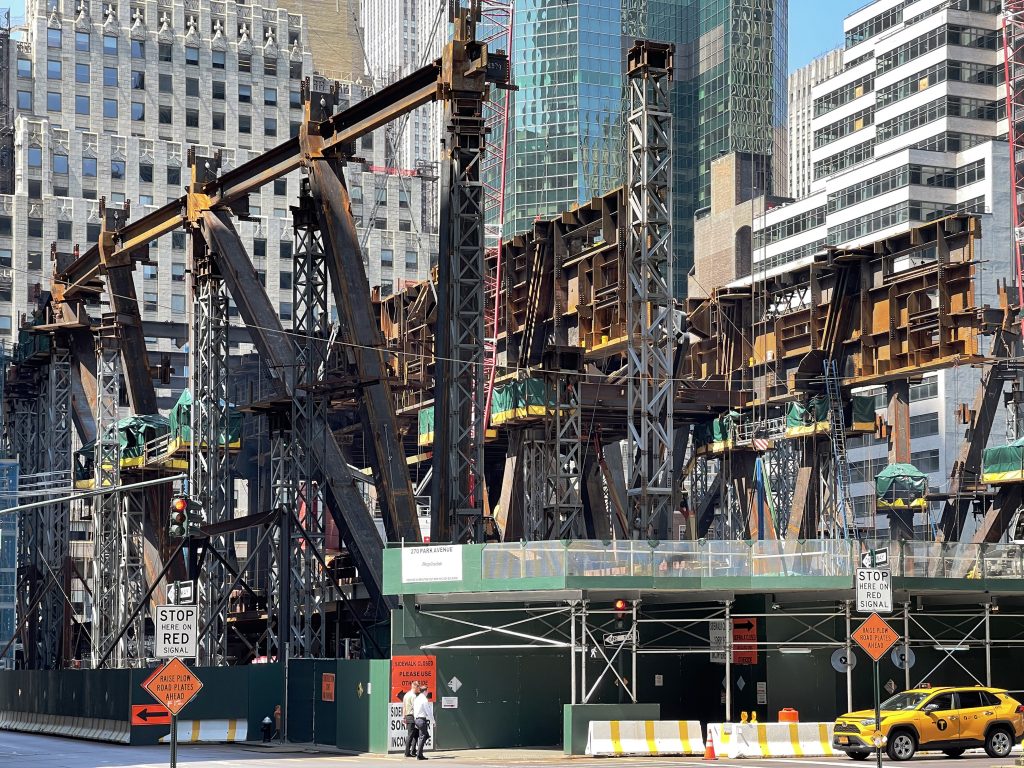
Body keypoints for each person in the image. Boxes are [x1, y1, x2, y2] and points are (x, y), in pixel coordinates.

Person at [413, 684, 434, 760]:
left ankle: (419, 752)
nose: (428, 692)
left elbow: (414, 709)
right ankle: (419, 754)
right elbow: (428, 711)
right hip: (421, 720)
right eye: (427, 691)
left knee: (425, 735)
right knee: (423, 737)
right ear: (425, 691)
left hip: (416, 719)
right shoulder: (424, 699)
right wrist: (433, 721)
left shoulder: (417, 698)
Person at [402, 681, 420, 758]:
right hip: (412, 716)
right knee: (411, 734)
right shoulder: (413, 696)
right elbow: (415, 707)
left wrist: (403, 717)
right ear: (415, 687)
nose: (418, 689)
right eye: (418, 687)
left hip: (407, 716)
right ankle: (407, 752)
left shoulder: (406, 695)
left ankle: (413, 751)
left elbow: (404, 707)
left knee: (415, 734)